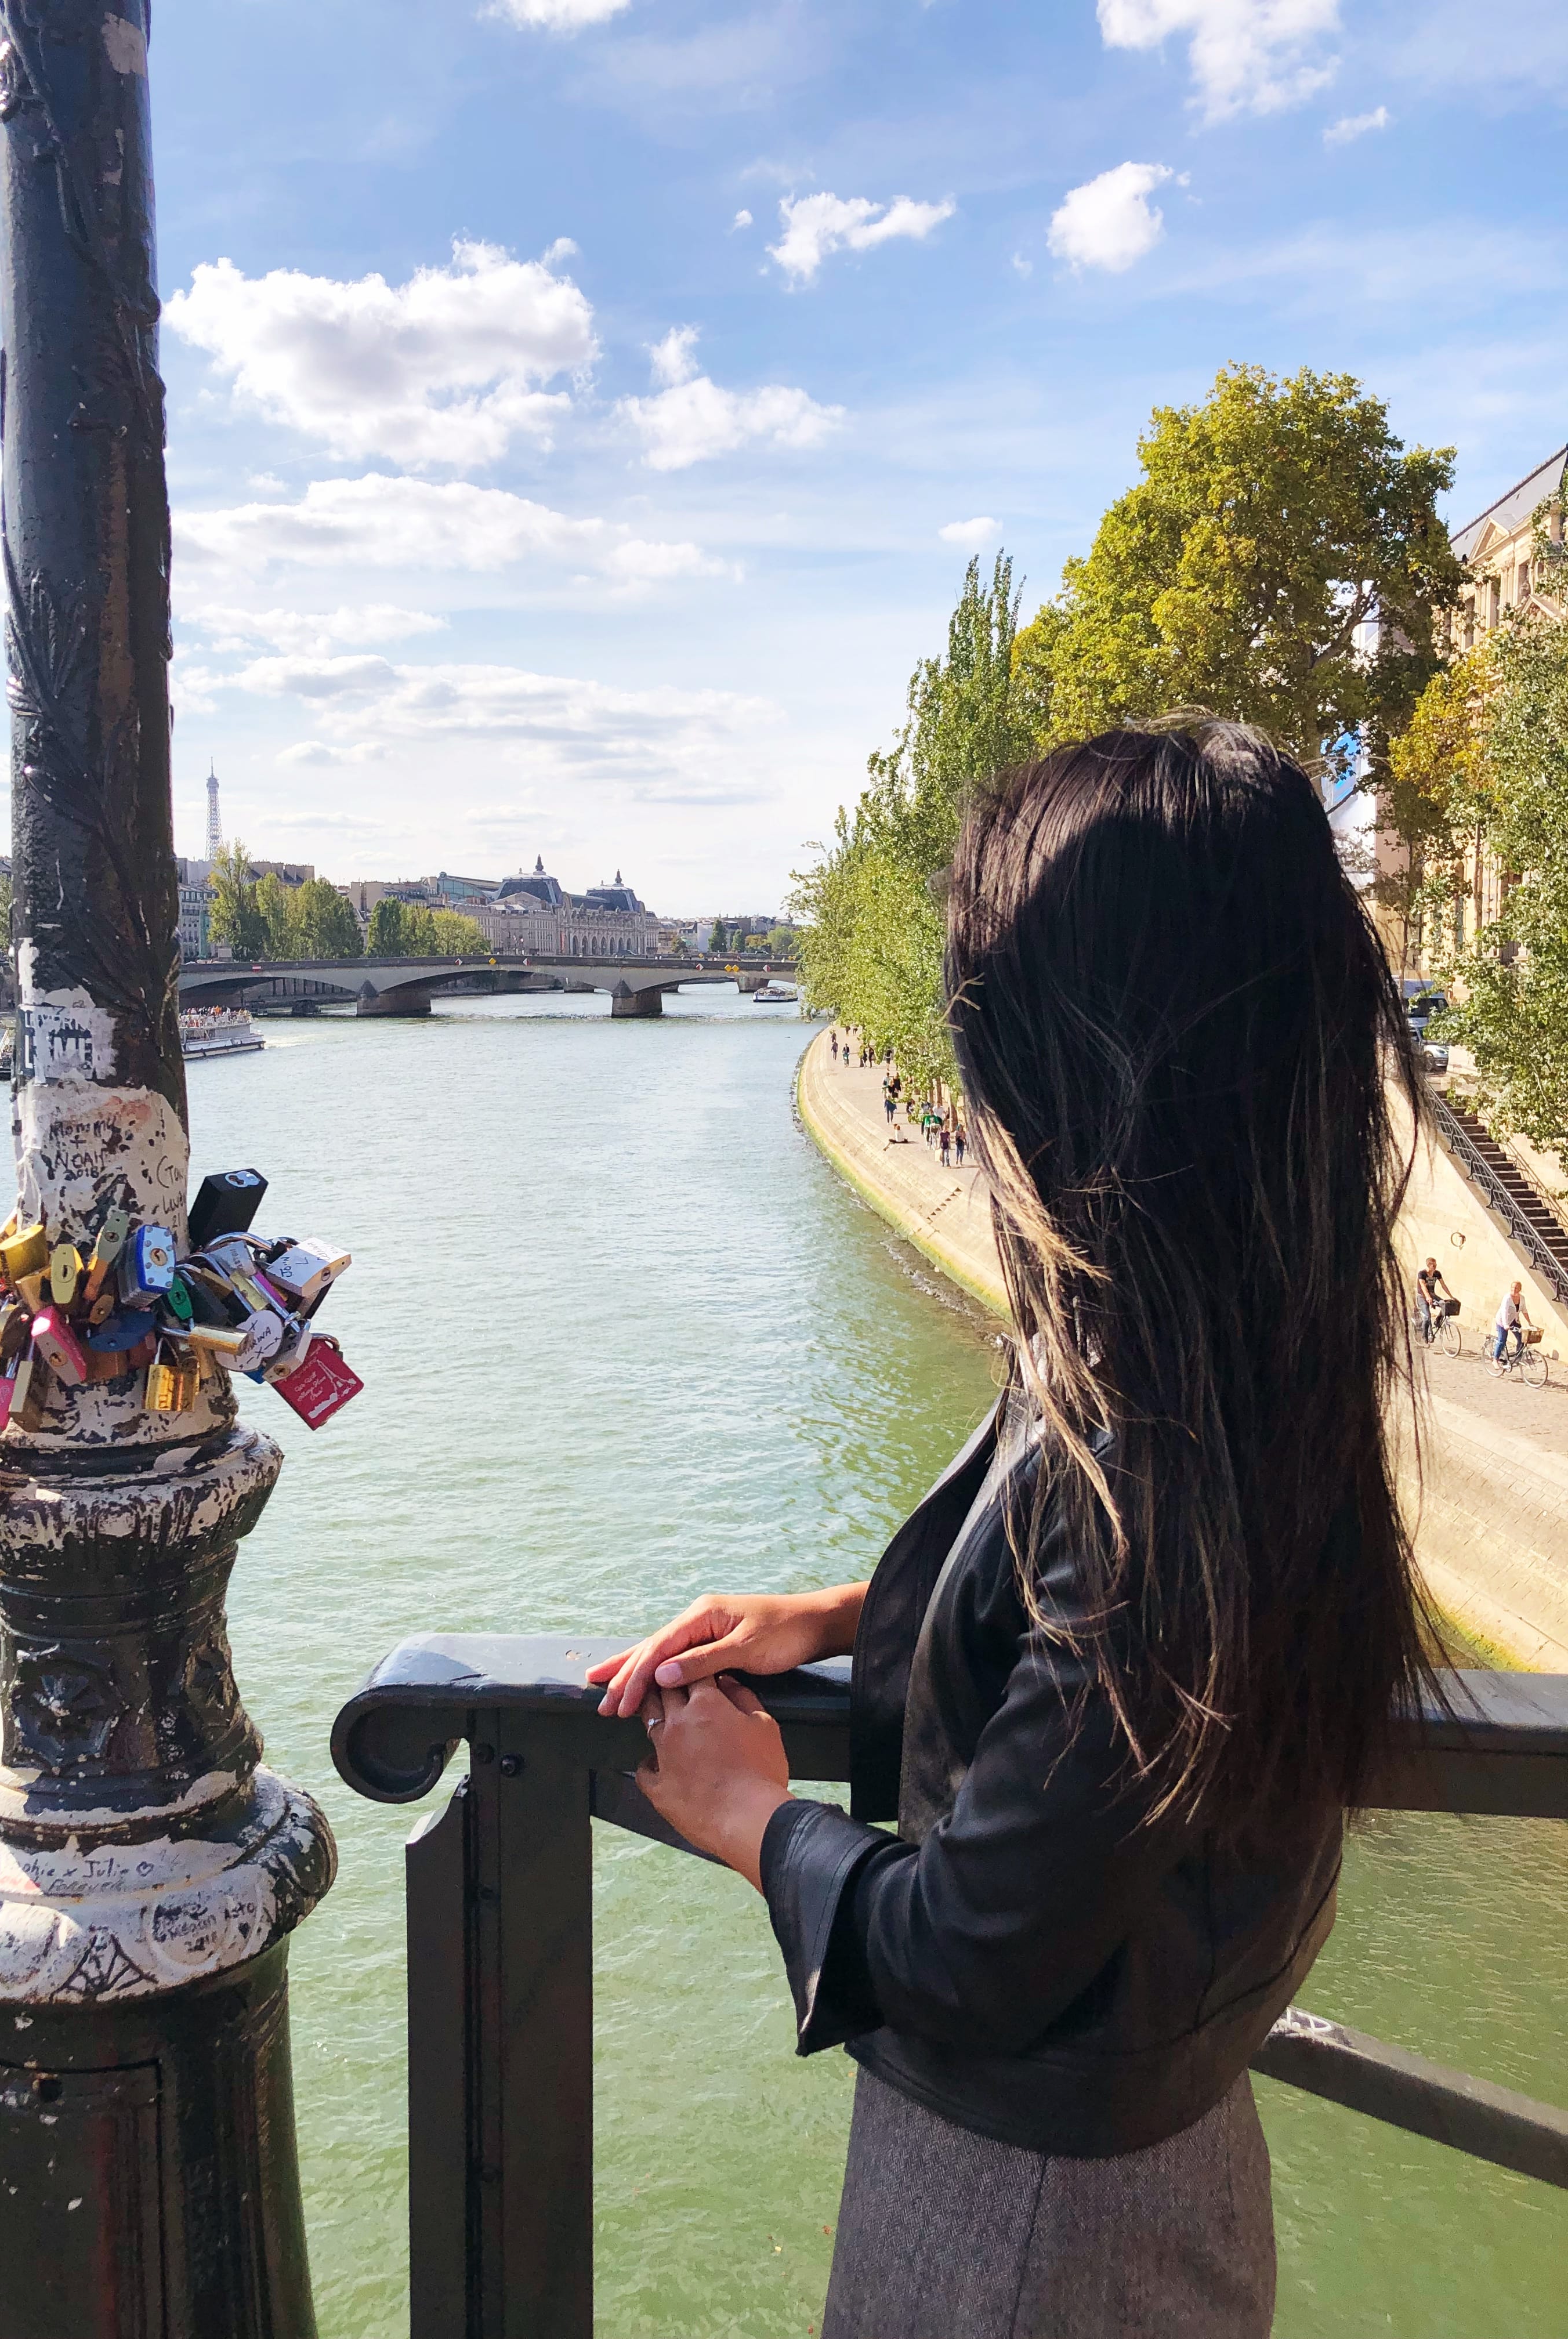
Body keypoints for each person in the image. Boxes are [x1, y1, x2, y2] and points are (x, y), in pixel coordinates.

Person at [589, 723, 1433, 2339]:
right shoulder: (1256, 1350)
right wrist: (855, 1616)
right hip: (1168, 2134)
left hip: (1026, 2224)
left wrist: (754, 1816)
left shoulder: (1147, 1430)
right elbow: (1116, 1646)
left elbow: (976, 1944)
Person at [1414, 1256, 1453, 1343]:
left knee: (1445, 1304)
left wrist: (1451, 1296)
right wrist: (1428, 1297)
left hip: (1433, 1295)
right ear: (1429, 1265)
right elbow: (1423, 1287)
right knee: (1428, 1316)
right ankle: (1425, 1335)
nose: (1435, 1266)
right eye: (1434, 1265)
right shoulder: (1422, 1274)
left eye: (1436, 1265)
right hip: (1422, 1296)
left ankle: (1438, 1321)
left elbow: (1443, 1285)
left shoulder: (1437, 1274)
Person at [1494, 1280, 1533, 1364]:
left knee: (1522, 1338)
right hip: (1503, 1321)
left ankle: (1518, 1358)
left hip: (1514, 1321)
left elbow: (1524, 1310)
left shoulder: (1522, 1298)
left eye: (1517, 1288)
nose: (1514, 1289)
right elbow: (1504, 1311)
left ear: (1520, 1289)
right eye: (1513, 1287)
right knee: (1502, 1340)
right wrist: (1505, 1325)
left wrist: (1530, 1322)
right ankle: (1495, 1360)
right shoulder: (1507, 1298)